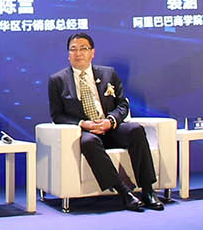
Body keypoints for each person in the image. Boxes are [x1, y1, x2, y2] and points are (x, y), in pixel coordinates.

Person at [47, 31, 161, 210]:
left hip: (110, 127)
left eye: (83, 48)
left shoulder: (109, 74)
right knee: (89, 142)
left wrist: (110, 121)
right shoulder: (57, 80)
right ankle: (124, 193)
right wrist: (84, 124)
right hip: (86, 131)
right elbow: (57, 115)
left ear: (92, 52)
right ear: (68, 54)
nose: (78, 53)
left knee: (136, 130)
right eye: (73, 49)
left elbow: (122, 105)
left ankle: (148, 190)